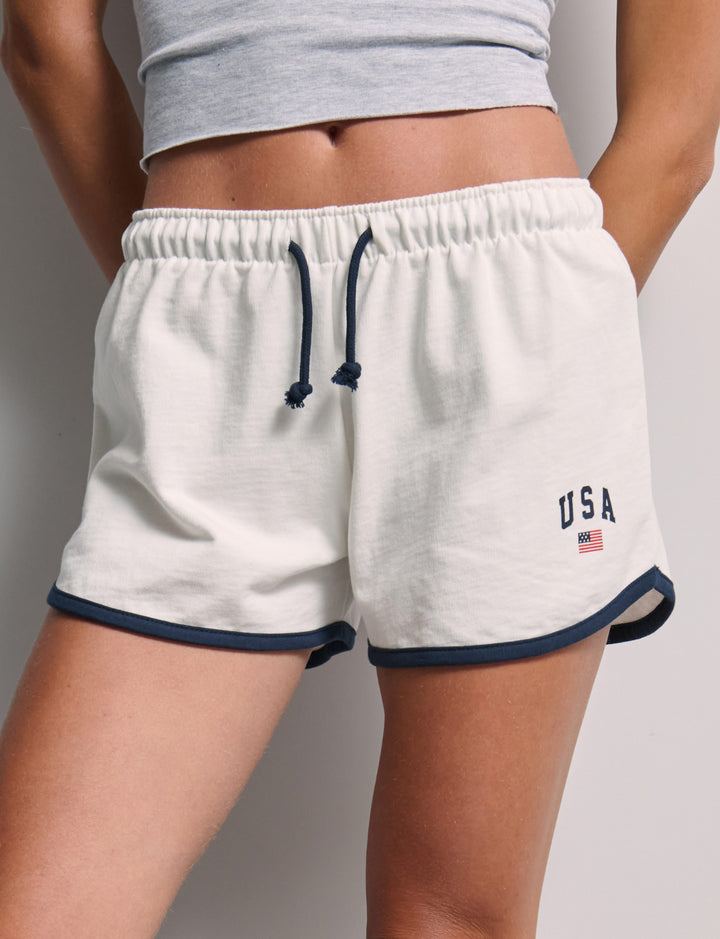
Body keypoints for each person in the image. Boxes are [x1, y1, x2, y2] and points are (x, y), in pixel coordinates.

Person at [0, 0, 718, 936]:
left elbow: (679, 119)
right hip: (223, 300)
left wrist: (558, 333)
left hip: (501, 287)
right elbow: (42, 40)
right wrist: (191, 308)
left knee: (449, 912)